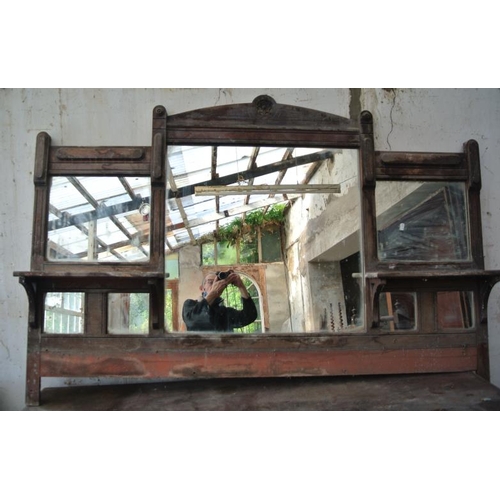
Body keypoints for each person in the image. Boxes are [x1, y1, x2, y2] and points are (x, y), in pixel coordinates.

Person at [182, 271, 257, 332]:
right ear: (202, 288)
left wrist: (241, 286)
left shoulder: (224, 313)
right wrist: (213, 292)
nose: (214, 285)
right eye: (210, 282)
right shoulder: (190, 304)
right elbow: (192, 320)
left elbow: (249, 316)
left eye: (217, 282)